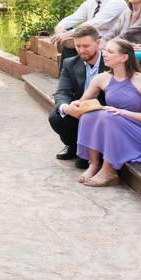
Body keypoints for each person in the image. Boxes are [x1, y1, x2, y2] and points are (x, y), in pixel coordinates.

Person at [64, 38, 141, 187]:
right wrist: (74, 104)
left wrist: (120, 112)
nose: (104, 54)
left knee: (110, 116)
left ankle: (109, 170)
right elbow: (82, 102)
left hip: (140, 133)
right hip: (115, 127)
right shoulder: (102, 78)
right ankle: (94, 164)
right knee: (90, 114)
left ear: (124, 57)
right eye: (105, 50)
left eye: (110, 51)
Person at [48, 24, 107, 170]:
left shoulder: (111, 61)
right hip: (80, 109)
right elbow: (62, 92)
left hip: (104, 112)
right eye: (78, 46)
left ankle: (94, 152)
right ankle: (74, 146)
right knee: (56, 117)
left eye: (86, 46)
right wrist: (67, 108)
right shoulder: (70, 63)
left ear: (98, 42)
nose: (81, 50)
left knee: (81, 165)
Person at [49, 0, 126, 62]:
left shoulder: (116, 2)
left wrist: (69, 33)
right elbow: (75, 17)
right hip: (92, 38)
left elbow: (95, 23)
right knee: (69, 48)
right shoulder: (93, 0)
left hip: (110, 41)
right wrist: (60, 28)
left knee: (76, 45)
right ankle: (66, 75)